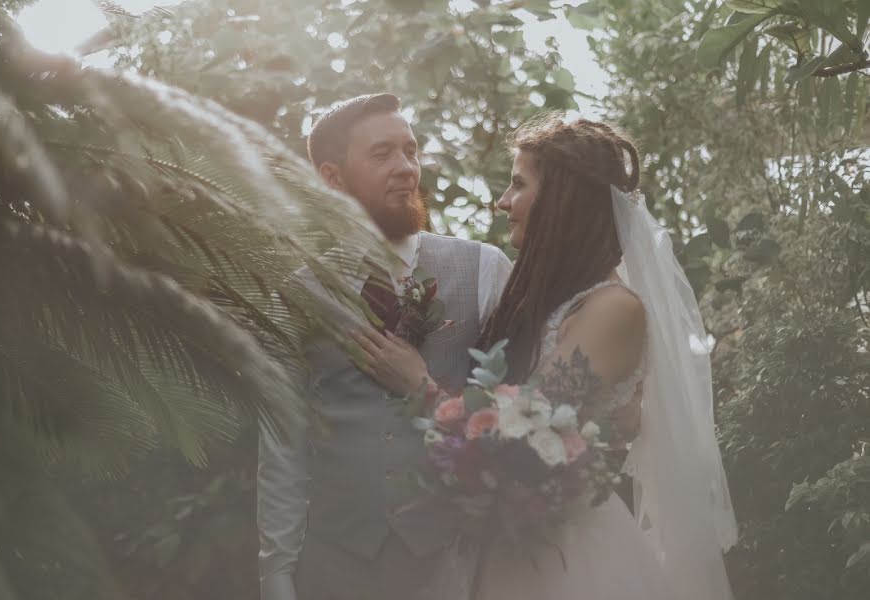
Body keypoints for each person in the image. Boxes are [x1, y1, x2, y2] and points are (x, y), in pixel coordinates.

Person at [354, 113, 738, 600]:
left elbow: (527, 447)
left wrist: (419, 384)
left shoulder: (614, 310)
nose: (502, 202)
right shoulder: (544, 301)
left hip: (572, 563)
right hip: (511, 549)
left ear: (563, 198)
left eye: (518, 184)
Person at [256, 93, 513, 600]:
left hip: (455, 567)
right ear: (332, 178)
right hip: (334, 569)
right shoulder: (296, 293)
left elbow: (519, 414)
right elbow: (282, 448)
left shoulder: (486, 269)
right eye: (382, 154)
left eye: (410, 150)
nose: (406, 168)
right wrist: (276, 575)